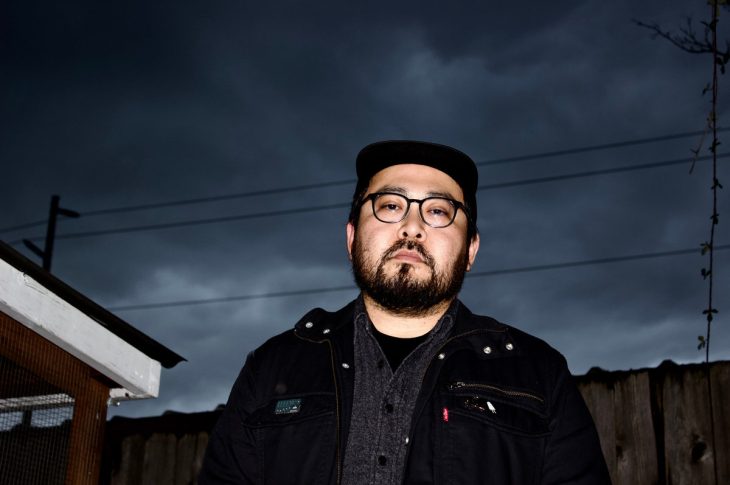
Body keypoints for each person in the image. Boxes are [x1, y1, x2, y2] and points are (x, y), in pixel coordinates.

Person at [198, 140, 611, 484]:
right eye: (391, 205)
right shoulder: (270, 369)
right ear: (351, 237)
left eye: (437, 211)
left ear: (470, 250)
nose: (412, 227)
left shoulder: (540, 376)